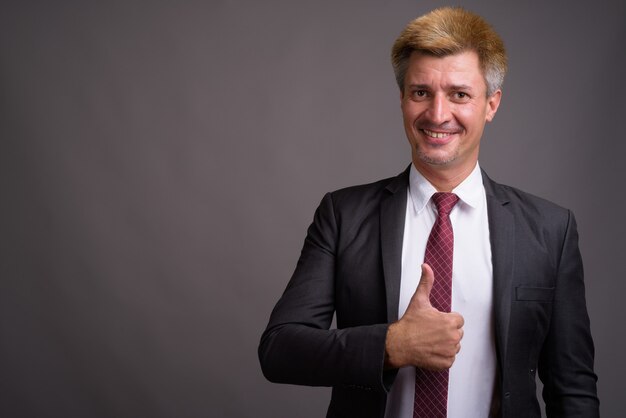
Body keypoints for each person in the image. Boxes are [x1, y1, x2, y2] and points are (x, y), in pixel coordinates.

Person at [258, 7, 599, 418]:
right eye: (421, 92)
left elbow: (573, 388)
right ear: (402, 99)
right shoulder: (343, 214)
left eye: (459, 94)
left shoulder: (549, 229)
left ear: (491, 104)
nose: (438, 115)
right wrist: (392, 345)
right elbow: (279, 349)